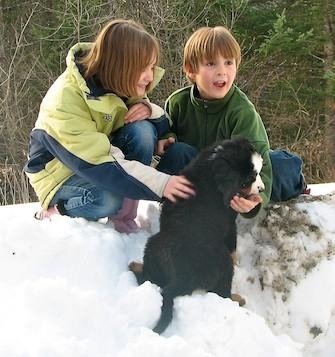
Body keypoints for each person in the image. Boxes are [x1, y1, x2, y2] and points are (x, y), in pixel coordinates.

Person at [24, 19, 195, 234]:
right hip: (60, 175)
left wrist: (149, 110)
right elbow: (102, 163)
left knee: (141, 131)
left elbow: (159, 126)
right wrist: (164, 184)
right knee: (108, 198)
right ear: (120, 64)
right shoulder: (64, 102)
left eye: (151, 67)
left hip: (98, 157)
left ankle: (124, 218)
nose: (151, 77)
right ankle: (58, 210)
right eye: (144, 68)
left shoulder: (117, 81)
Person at [158, 26, 272, 218]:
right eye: (211, 64)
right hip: (195, 179)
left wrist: (253, 198)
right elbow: (166, 131)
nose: (222, 72)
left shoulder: (242, 112)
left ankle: (292, 175)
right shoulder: (177, 102)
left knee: (282, 168)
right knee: (178, 152)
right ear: (191, 70)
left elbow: (258, 159)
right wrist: (168, 137)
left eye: (229, 63)